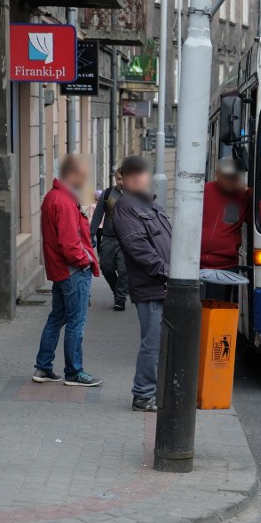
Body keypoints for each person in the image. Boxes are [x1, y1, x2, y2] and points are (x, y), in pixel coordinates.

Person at [32, 155, 103, 387]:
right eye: (84, 175)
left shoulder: (53, 196)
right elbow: (69, 243)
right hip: (72, 270)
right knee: (76, 322)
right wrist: (84, 261)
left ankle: (43, 368)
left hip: (60, 270)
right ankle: (74, 372)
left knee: (57, 317)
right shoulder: (63, 200)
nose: (86, 179)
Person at [113, 156, 171, 412]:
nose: (138, 177)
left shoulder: (151, 206)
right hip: (151, 286)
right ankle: (143, 395)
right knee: (153, 342)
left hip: (164, 284)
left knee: (162, 343)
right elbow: (137, 247)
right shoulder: (125, 206)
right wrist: (166, 271)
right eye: (131, 173)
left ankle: (156, 392)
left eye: (142, 173)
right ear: (122, 178)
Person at [200, 157, 251, 300]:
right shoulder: (203, 191)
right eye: (227, 176)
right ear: (217, 174)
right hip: (197, 264)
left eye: (234, 177)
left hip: (225, 267)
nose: (231, 180)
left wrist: (247, 192)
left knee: (220, 310)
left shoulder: (243, 197)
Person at [90, 170, 128, 311]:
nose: (121, 182)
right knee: (106, 268)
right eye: (118, 179)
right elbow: (97, 217)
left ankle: (120, 298)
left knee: (124, 270)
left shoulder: (134, 195)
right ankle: (118, 290)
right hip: (108, 238)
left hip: (126, 240)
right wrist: (90, 236)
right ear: (115, 178)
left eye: (123, 179)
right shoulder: (107, 194)